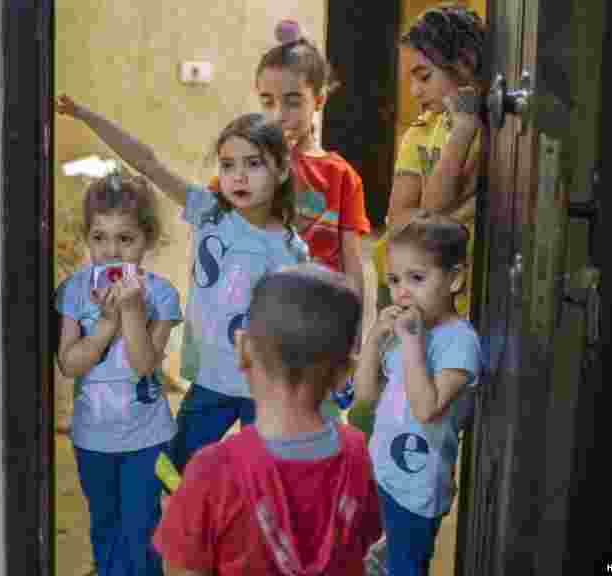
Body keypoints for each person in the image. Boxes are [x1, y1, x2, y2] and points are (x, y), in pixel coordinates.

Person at [56, 95, 309, 475]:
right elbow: (146, 162)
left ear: (283, 170)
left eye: (253, 164)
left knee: (263, 479)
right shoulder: (208, 213)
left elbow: (297, 327)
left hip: (264, 386)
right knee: (174, 472)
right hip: (210, 380)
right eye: (228, 165)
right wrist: (85, 114)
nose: (238, 176)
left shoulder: (291, 250)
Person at [153, 263, 382, 575]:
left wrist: (182, 515)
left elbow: (185, 569)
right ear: (345, 374)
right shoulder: (357, 453)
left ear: (243, 350)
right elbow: (364, 539)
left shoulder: (212, 470)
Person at [201, 19, 373, 421]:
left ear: (319, 99)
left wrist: (353, 337)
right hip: (259, 321)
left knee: (307, 424)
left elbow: (352, 264)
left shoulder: (341, 176)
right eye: (267, 102)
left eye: (293, 101)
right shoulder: (247, 169)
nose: (278, 114)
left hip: (317, 324)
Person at [353, 1, 488, 438]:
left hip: (454, 292)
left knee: (436, 409)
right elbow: (407, 216)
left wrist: (465, 129)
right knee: (386, 393)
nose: (413, 91)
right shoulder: (422, 132)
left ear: (464, 63)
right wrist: (458, 137)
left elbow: (430, 209)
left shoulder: (491, 128)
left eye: (424, 75)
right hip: (404, 278)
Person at [54, 171, 183, 575]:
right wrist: (106, 325)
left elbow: (144, 365)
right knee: (105, 527)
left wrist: (131, 311)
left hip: (148, 438)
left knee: (142, 531)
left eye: (125, 239)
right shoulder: (73, 291)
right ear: (87, 238)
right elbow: (69, 364)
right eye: (99, 237)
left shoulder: (161, 294)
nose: (111, 250)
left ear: (147, 240)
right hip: (92, 438)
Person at [353, 210, 484, 576]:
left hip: (418, 487)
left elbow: (427, 409)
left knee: (405, 568)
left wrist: (412, 342)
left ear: (455, 279)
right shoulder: (406, 332)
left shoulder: (459, 343)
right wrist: (374, 341)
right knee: (371, 561)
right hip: (382, 471)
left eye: (417, 278)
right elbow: (366, 397)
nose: (402, 292)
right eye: (394, 280)